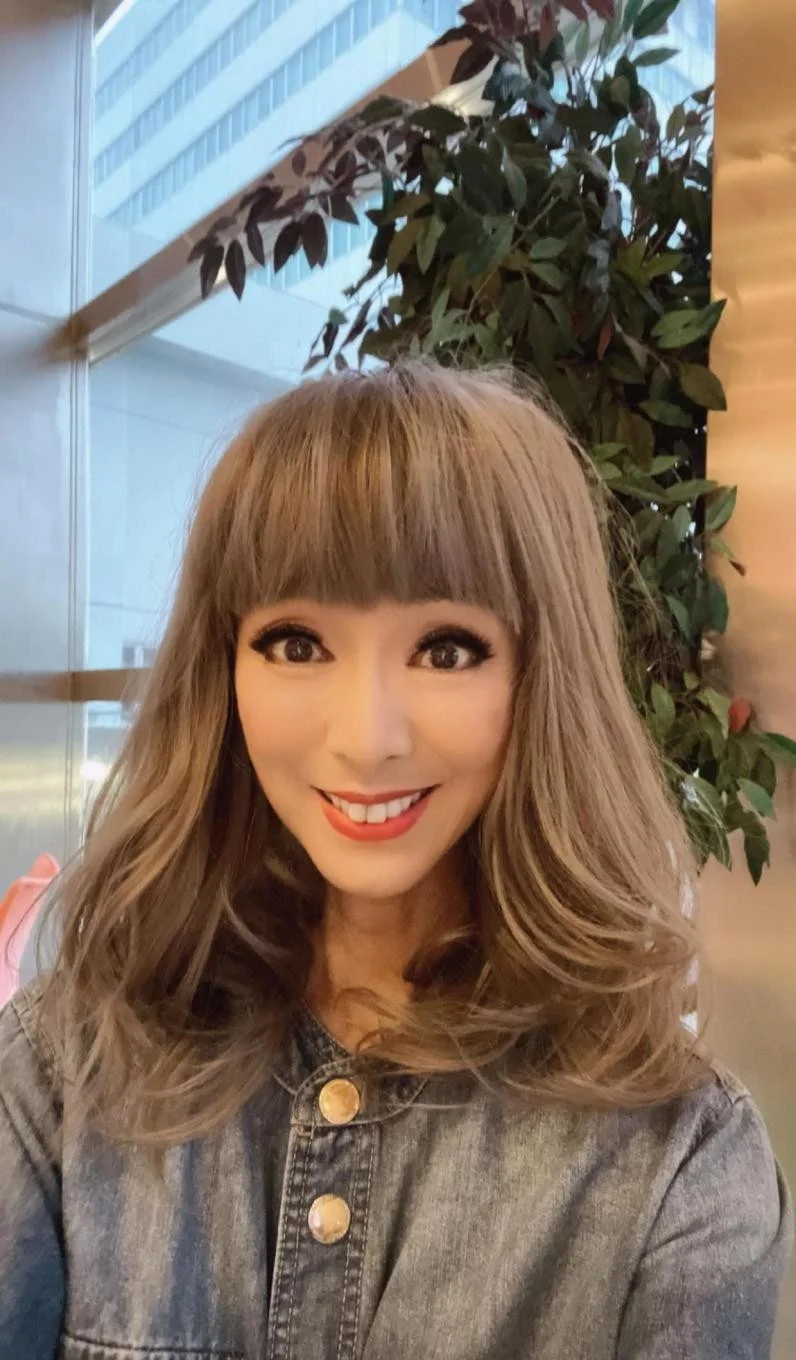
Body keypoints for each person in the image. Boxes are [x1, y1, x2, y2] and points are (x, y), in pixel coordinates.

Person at [0, 361, 791, 1360]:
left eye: (446, 649)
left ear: (539, 675)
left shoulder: (681, 1165)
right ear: (223, 670)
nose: (366, 739)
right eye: (296, 643)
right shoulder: (63, 1076)